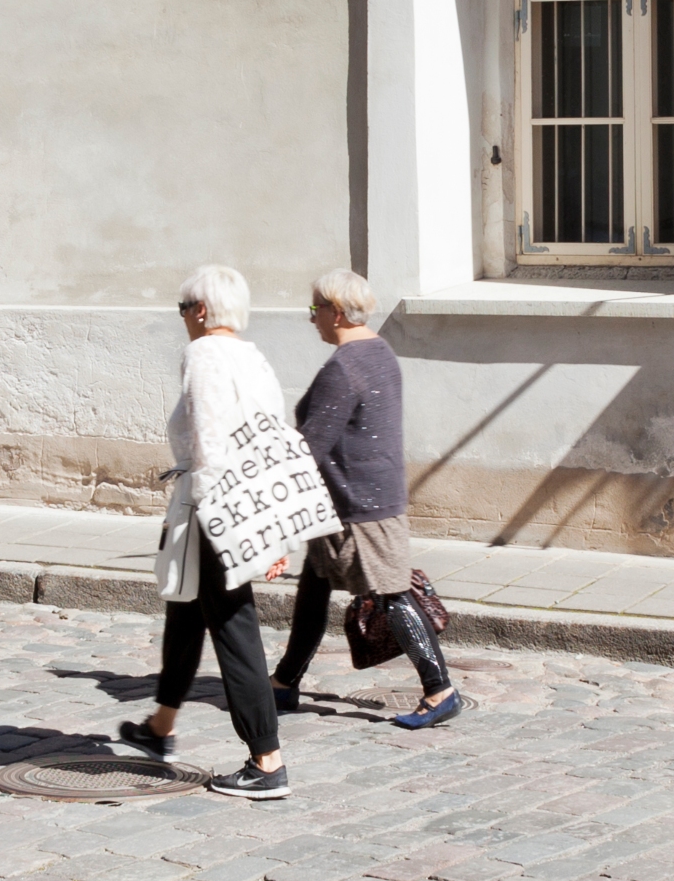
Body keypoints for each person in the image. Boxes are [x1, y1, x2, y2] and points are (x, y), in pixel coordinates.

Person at [117, 263, 295, 796]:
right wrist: (274, 528)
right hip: (241, 503)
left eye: (181, 309)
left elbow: (210, 442)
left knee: (235, 630)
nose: (182, 321)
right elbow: (272, 438)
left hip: (215, 511)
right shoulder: (252, 356)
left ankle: (266, 760)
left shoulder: (202, 354)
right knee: (185, 613)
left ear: (199, 310)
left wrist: (246, 531)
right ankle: (159, 727)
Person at [266, 268, 463, 728]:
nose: (311, 318)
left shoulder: (345, 366)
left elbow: (311, 444)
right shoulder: (379, 352)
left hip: (361, 505)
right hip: (348, 498)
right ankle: (284, 683)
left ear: (335, 312)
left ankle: (440, 689)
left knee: (393, 594)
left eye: (314, 309)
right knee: (313, 589)